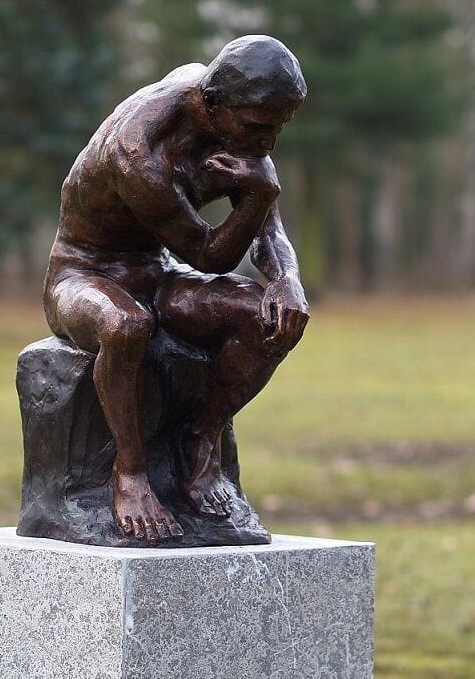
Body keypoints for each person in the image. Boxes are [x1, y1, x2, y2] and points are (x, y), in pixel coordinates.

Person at [43, 36, 309, 544]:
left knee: (267, 318)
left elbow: (269, 233)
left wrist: (288, 281)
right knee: (126, 325)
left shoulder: (236, 121)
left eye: (280, 127)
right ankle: (131, 473)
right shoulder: (140, 151)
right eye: (259, 128)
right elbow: (213, 256)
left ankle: (200, 437)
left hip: (158, 273)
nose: (269, 142)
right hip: (83, 274)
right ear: (212, 105)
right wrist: (258, 196)